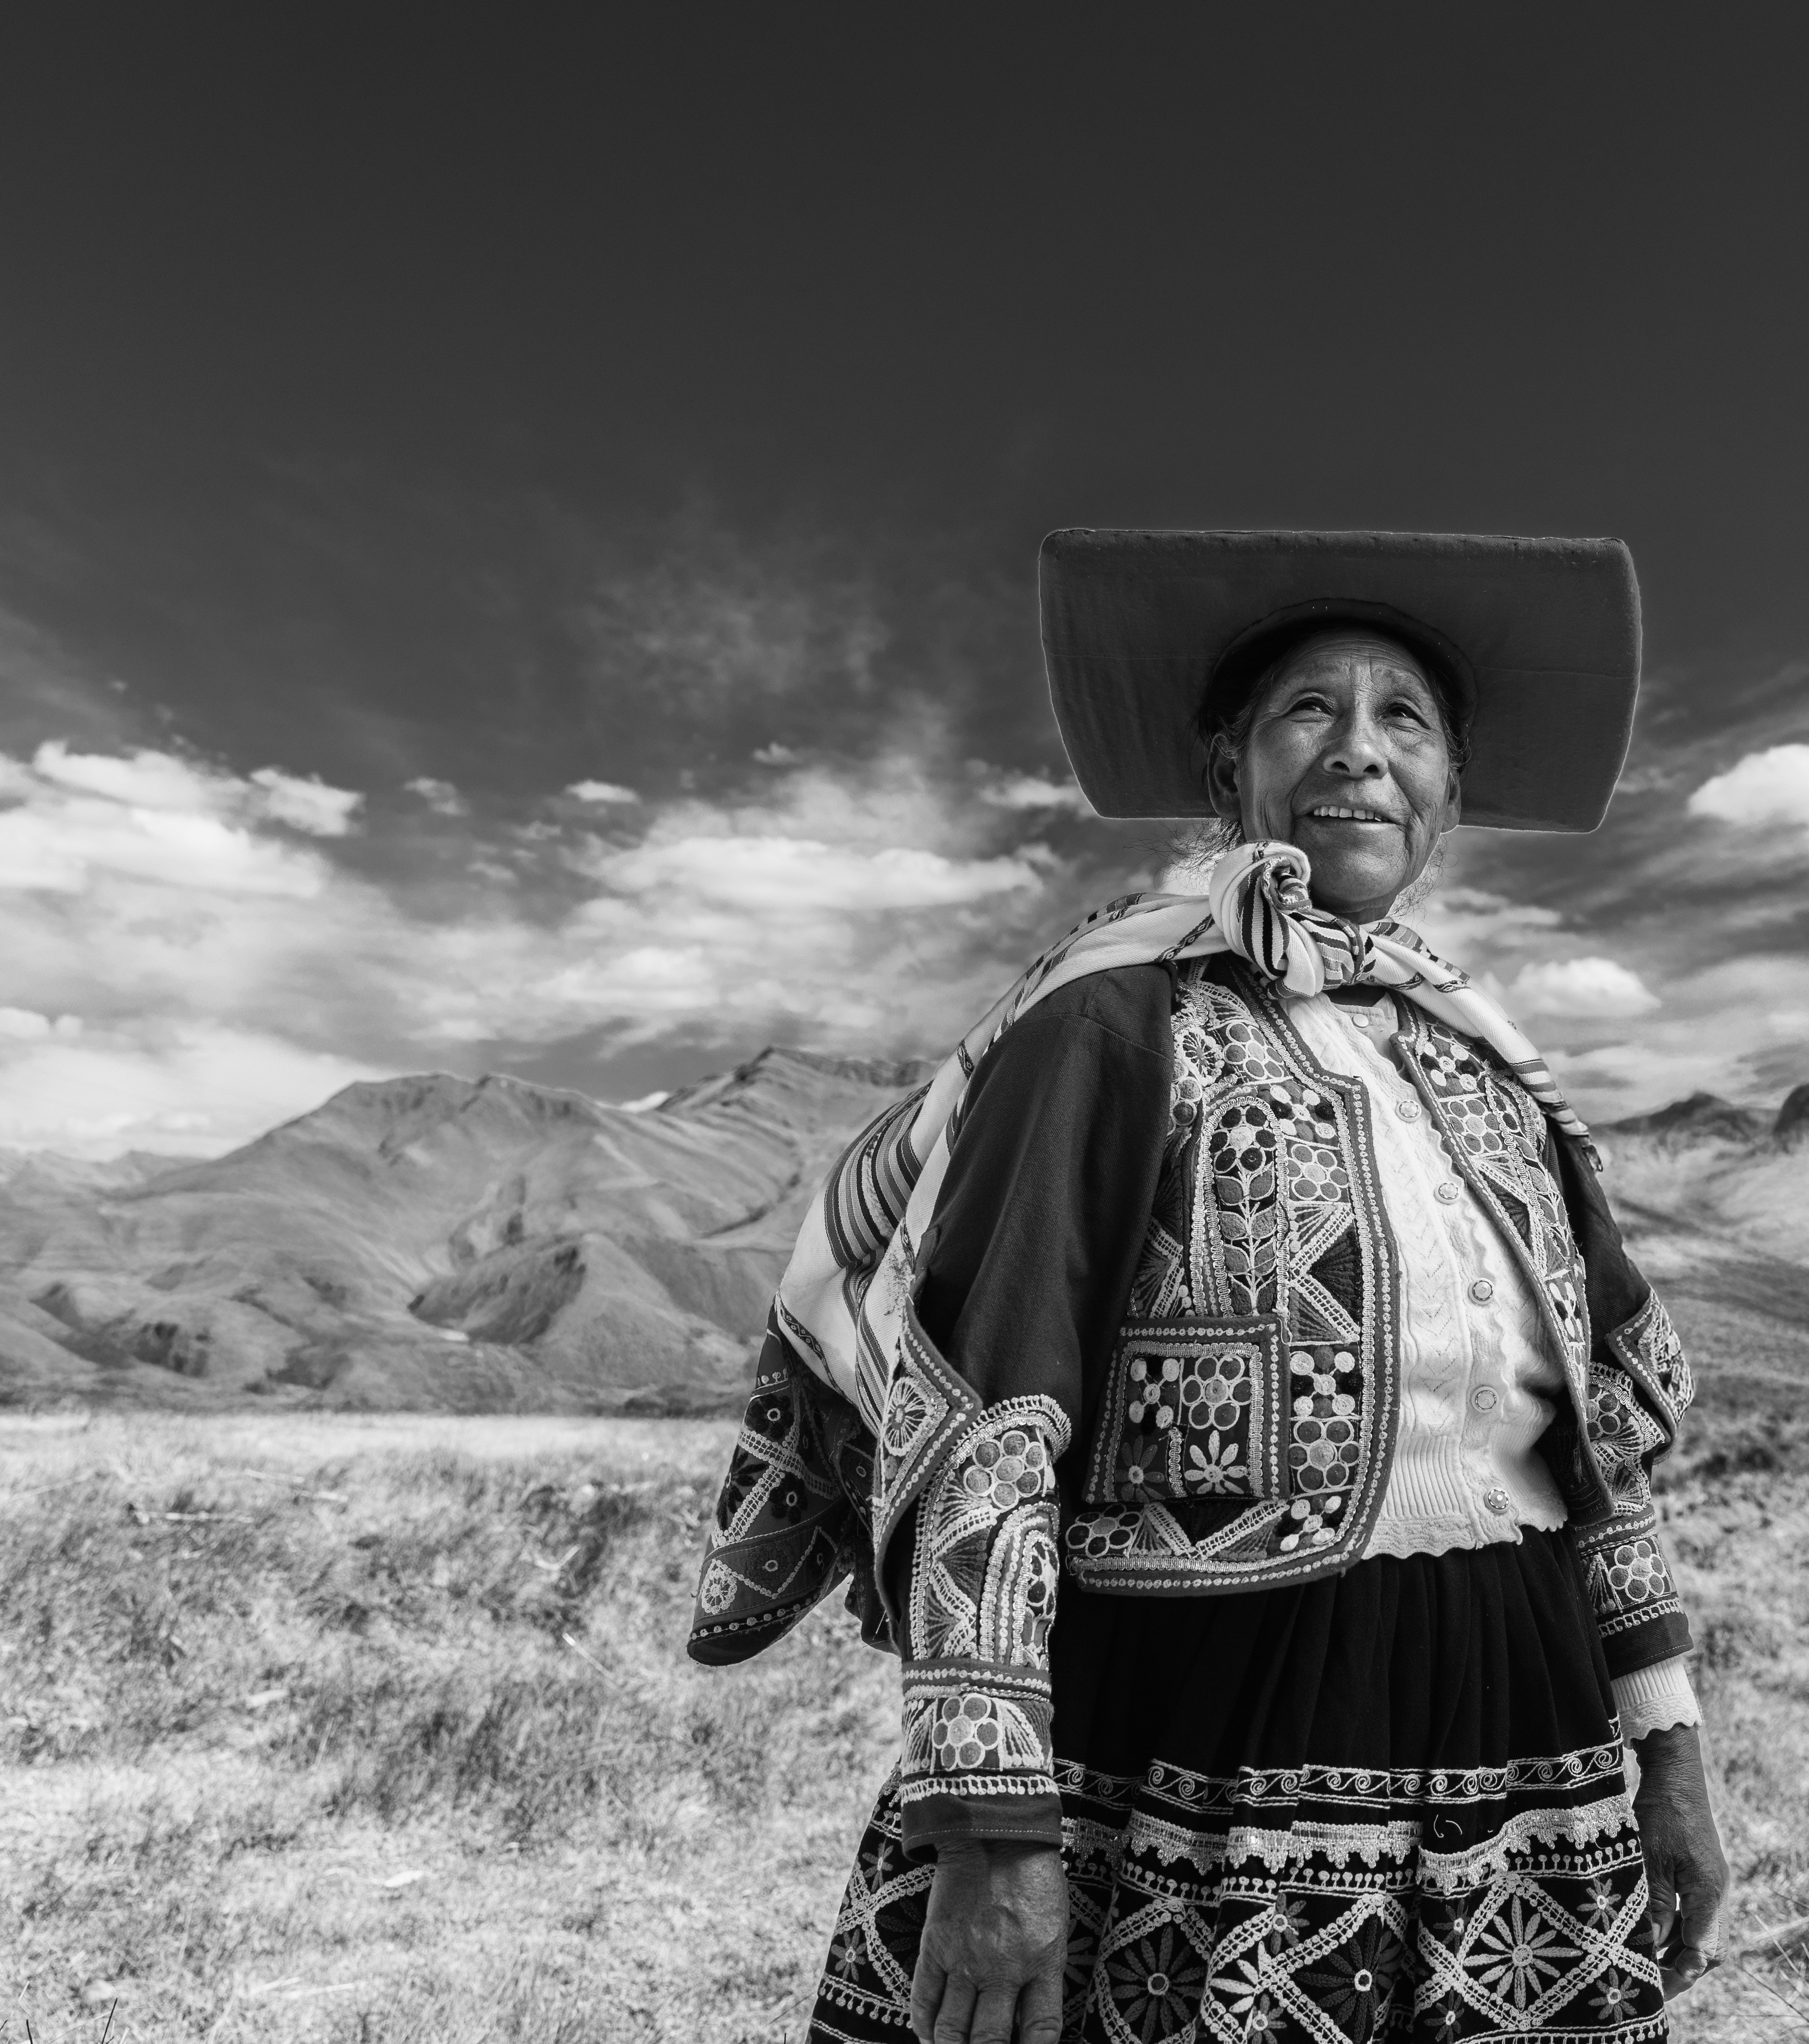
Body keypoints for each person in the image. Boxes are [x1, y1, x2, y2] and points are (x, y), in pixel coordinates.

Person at [690, 529, 1729, 2044]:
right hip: (1200, 1729)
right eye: (1308, 713)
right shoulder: (1110, 1025)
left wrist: (1673, 1760)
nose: (1359, 754)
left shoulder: (1498, 1082)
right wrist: (993, 1835)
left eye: (1407, 724)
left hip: (1525, 1717)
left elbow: (1598, 1468)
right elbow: (978, 1417)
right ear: (1226, 768)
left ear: (1446, 801)